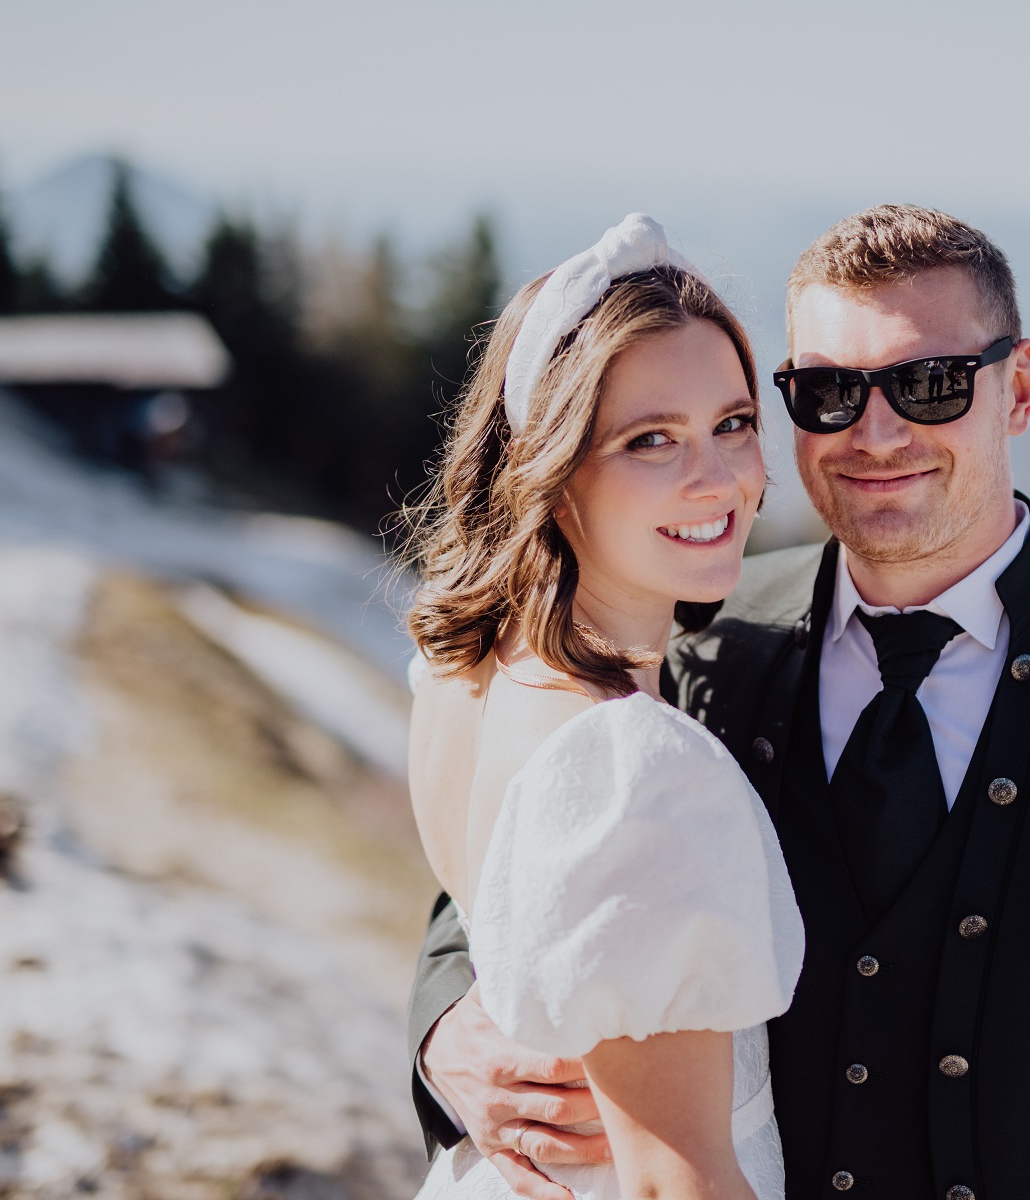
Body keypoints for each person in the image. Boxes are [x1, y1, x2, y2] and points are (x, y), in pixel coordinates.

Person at [410, 204, 1030, 1199]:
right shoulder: (698, 634)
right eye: (831, 393)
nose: (877, 435)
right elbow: (520, 869)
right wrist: (447, 1028)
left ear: (1016, 389)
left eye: (929, 386)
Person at [401, 214, 804, 1200]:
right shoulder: (632, 770)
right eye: (650, 440)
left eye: (735, 423)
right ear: (553, 469)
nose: (719, 479)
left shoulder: (468, 669)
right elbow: (676, 1181)